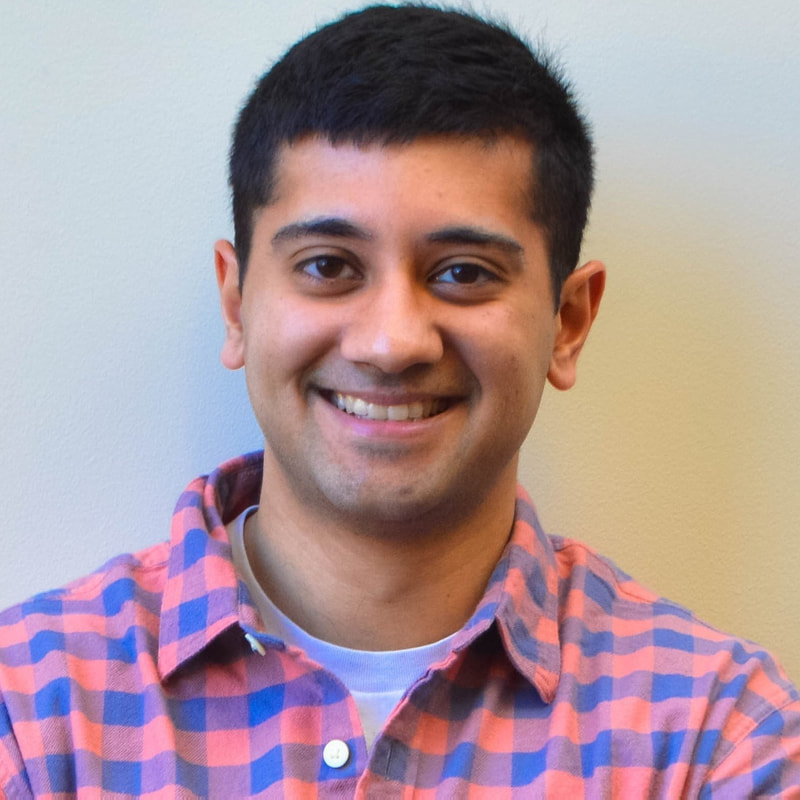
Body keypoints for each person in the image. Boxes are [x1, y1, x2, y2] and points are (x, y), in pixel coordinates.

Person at [0, 4, 797, 797]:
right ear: (237, 304)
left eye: (463, 273)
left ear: (568, 322)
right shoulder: (29, 712)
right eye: (329, 266)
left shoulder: (720, 737)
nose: (391, 343)